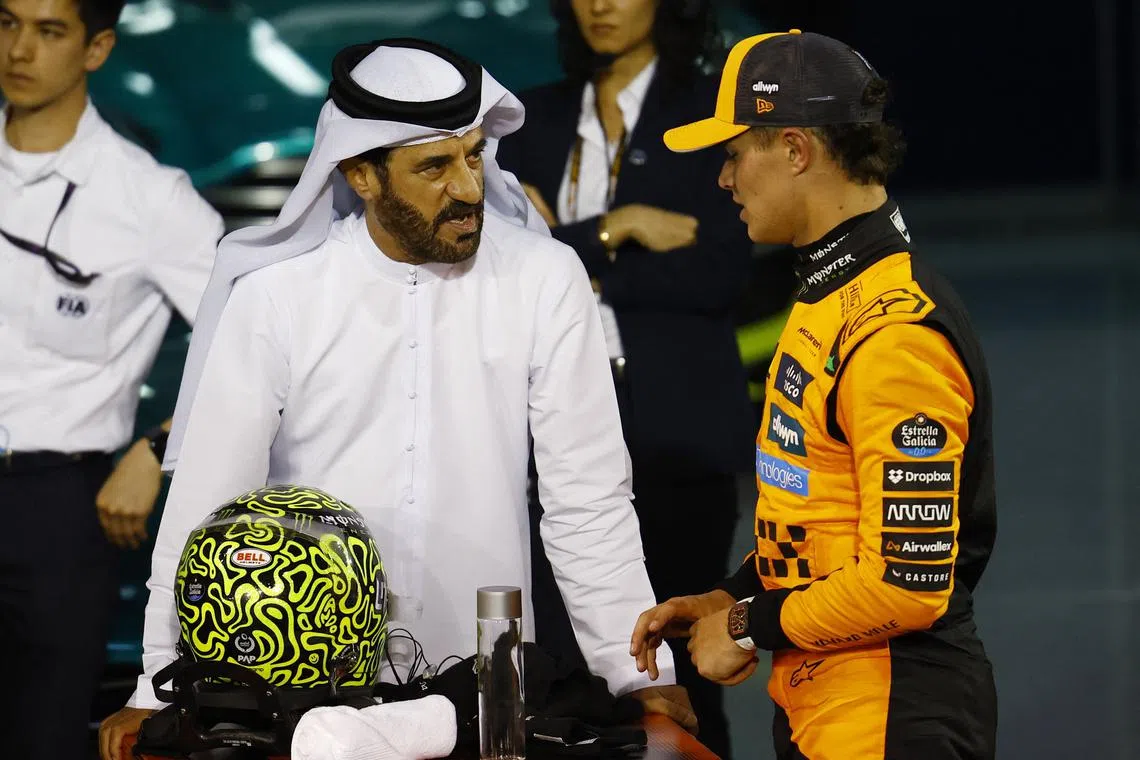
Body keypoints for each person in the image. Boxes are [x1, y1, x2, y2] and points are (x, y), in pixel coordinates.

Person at [98, 38, 695, 760]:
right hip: (301, 688)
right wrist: (150, 685)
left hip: (485, 690)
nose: (469, 188)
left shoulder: (545, 278)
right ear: (361, 174)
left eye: (475, 155)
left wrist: (639, 675)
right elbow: (207, 509)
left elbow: (588, 498)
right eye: (434, 167)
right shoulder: (276, 297)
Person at [630, 29, 999, 759]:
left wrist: (745, 627)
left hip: (894, 714)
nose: (724, 179)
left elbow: (907, 581)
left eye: (735, 154)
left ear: (795, 150)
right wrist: (731, 596)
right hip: (826, 701)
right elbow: (824, 517)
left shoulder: (894, 331)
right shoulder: (826, 293)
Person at [495, 2, 755, 754]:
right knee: (563, 669)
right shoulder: (530, 118)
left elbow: (719, 269)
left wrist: (565, 255)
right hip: (547, 440)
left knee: (688, 672)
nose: (600, 4)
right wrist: (624, 226)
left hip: (679, 437)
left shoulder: (710, 114)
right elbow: (507, 262)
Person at [0, 0, 224, 756]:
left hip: (59, 512)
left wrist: (157, 448)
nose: (20, 48)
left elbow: (248, 342)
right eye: (5, 23)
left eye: (49, 30)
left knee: (44, 739)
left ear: (97, 48)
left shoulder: (148, 197)